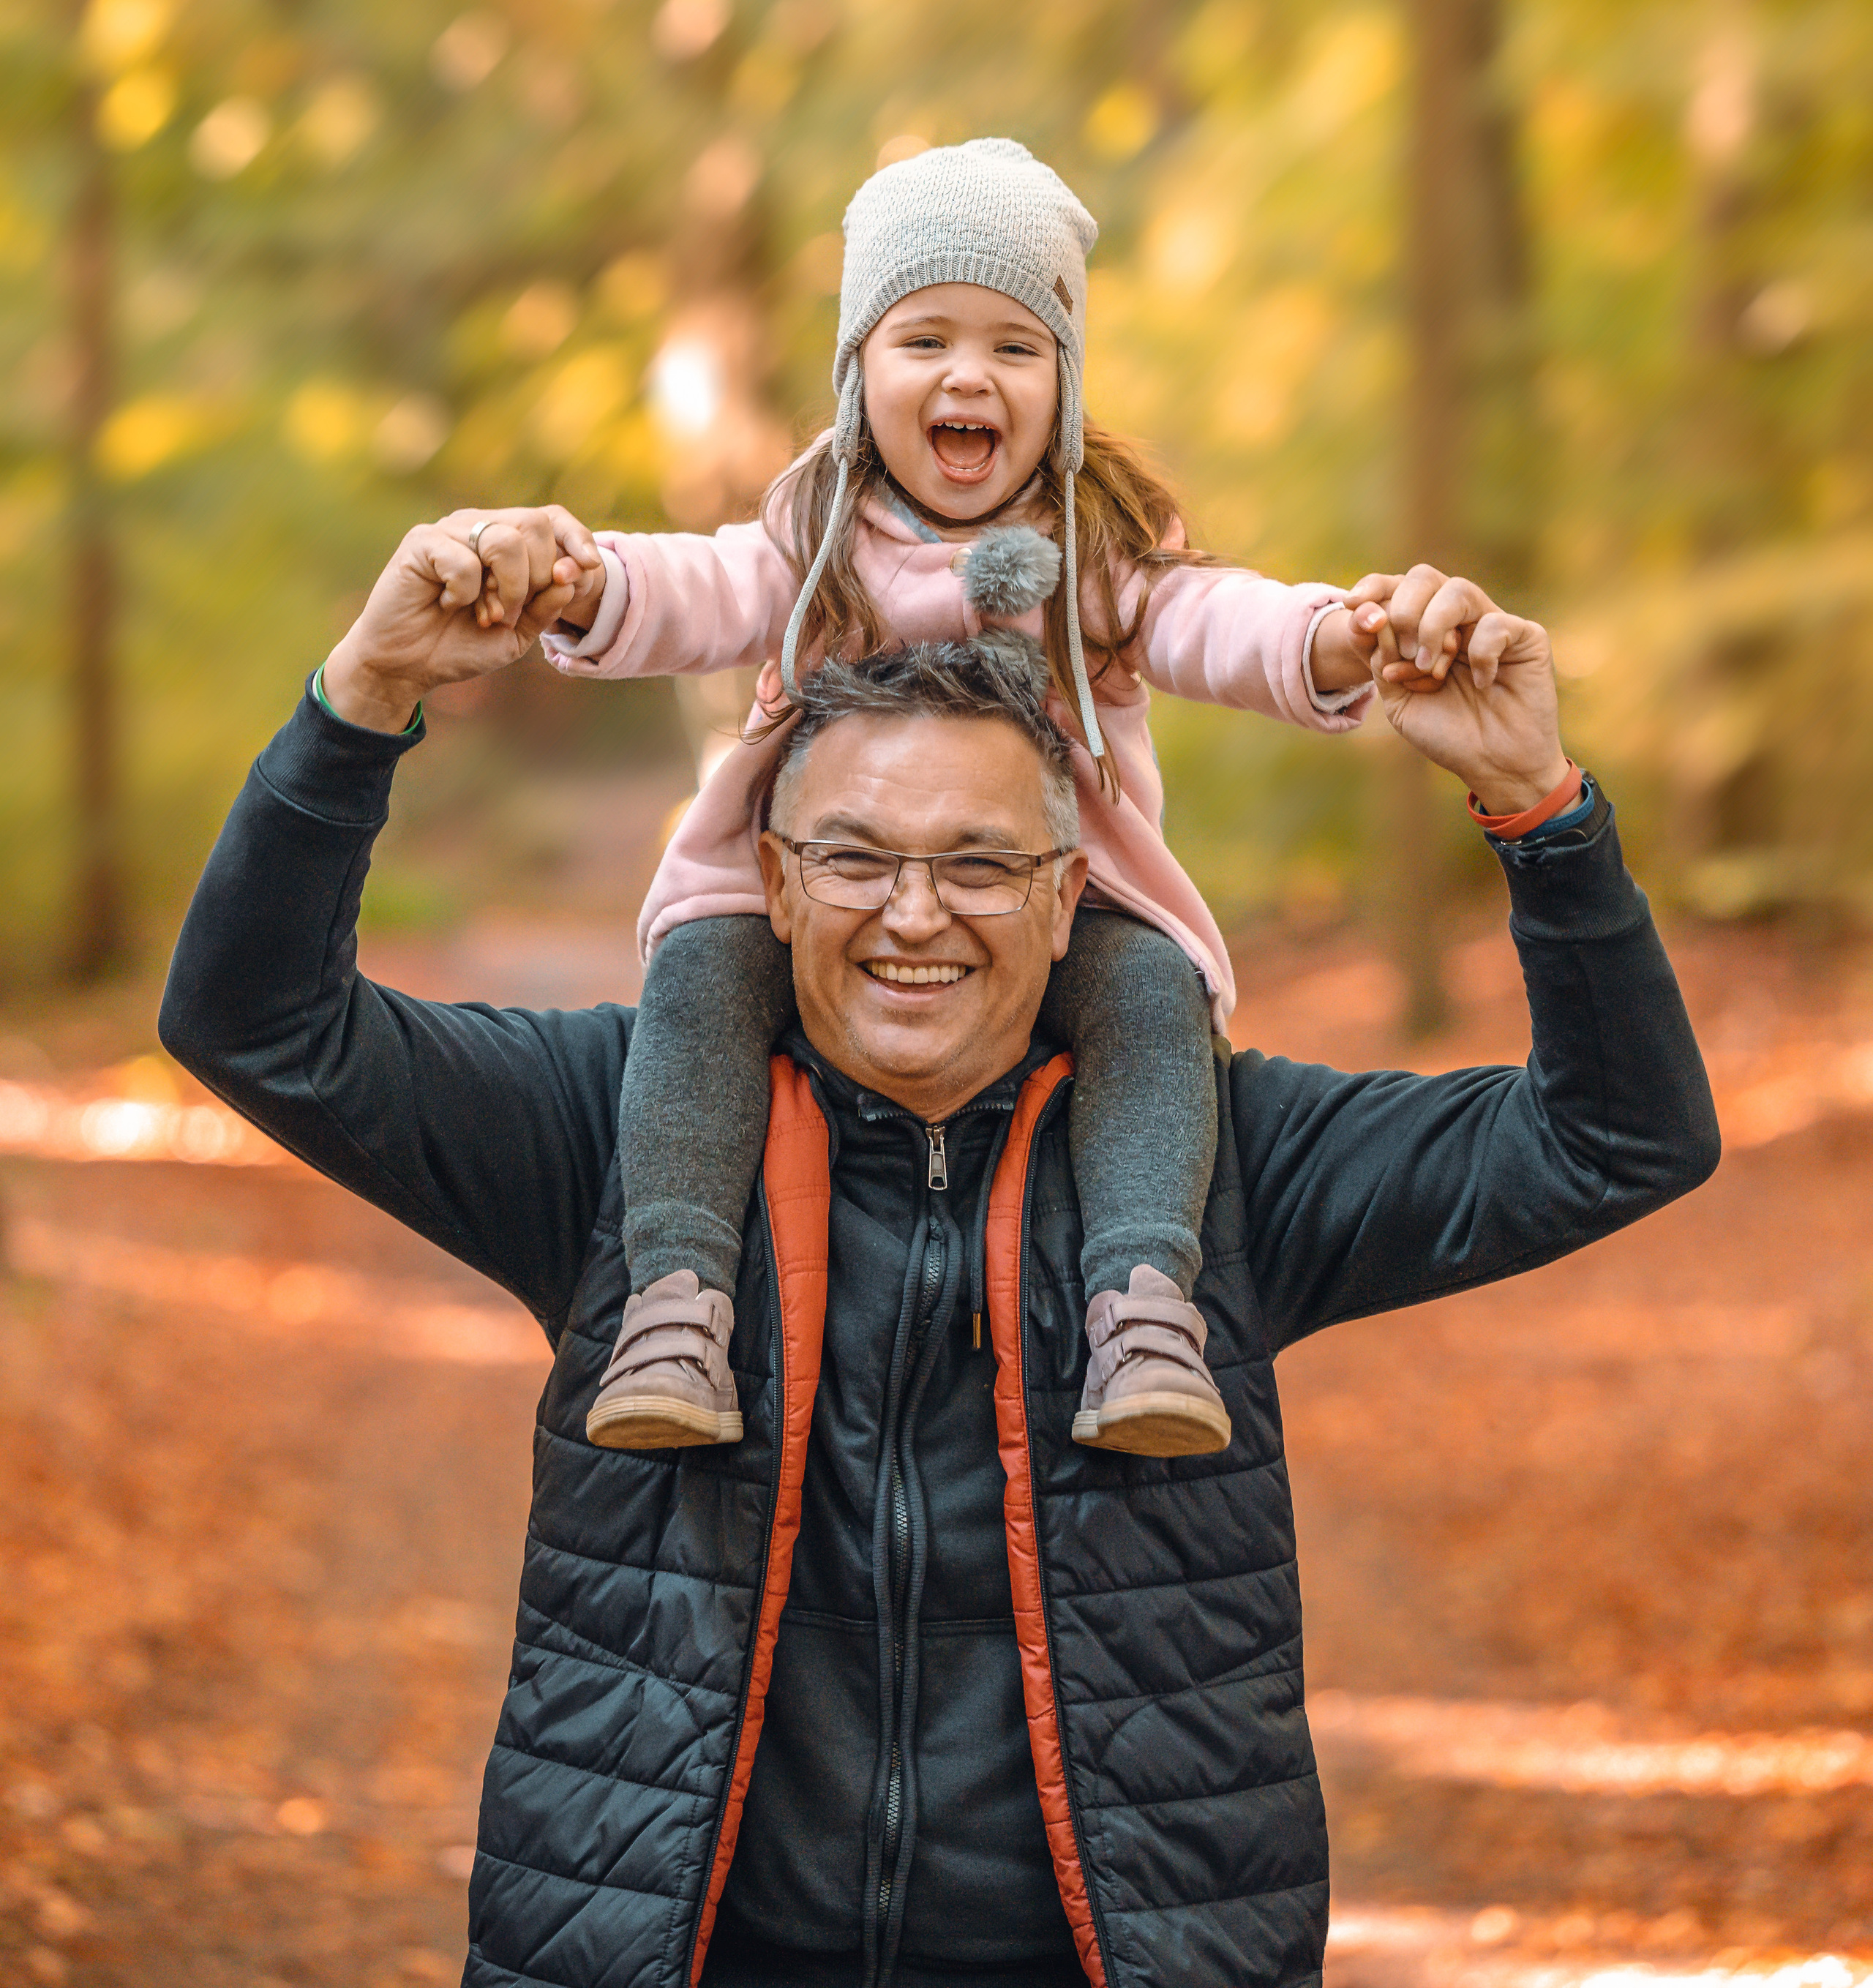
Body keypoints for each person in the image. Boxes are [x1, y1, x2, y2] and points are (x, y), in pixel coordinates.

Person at [159, 537, 1719, 1988]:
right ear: (768, 884)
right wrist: (360, 700)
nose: (914, 914)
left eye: (979, 864)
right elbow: (258, 1024)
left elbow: (1614, 1139)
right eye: (852, 856)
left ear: (1066, 904)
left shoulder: (1214, 1165)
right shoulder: (615, 1132)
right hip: (676, 1944)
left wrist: (1538, 811)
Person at [514, 135, 1397, 1459]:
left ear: (1065, 386)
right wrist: (585, 585)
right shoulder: (813, 535)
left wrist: (1332, 641)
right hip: (816, 886)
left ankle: (1144, 1302)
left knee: (1154, 1002)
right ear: (857, 374)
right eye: (923, 340)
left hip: (1061, 891)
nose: (968, 375)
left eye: (1016, 346)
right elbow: (696, 590)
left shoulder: (1086, 547)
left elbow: (1214, 616)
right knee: (699, 979)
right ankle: (678, 1301)